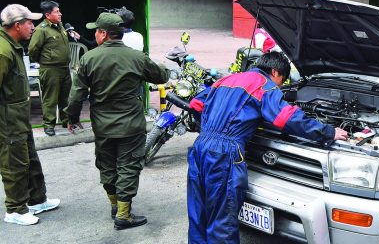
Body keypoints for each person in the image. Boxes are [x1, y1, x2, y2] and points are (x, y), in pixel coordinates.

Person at [187, 51, 348, 243]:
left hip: (200, 147)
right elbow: (286, 118)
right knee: (222, 221)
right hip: (225, 153)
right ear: (275, 72)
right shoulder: (264, 86)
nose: (279, 86)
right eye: (281, 80)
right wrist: (327, 132)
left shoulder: (227, 79)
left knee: (199, 214)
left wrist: (213, 126)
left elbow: (196, 104)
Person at [64, 12, 170, 230]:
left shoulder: (89, 58)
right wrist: (162, 66)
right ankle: (123, 214)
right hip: (130, 125)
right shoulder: (136, 57)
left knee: (107, 165)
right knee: (128, 167)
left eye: (96, 30)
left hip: (102, 126)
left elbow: (77, 94)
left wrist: (71, 117)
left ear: (103, 34)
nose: (94, 34)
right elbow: (161, 76)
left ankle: (116, 206)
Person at [0, 4, 60, 226]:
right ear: (17, 25)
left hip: (18, 118)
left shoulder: (11, 46)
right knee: (14, 164)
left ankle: (36, 200)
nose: (33, 27)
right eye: (29, 23)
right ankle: (15, 209)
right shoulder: (3, 51)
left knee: (30, 160)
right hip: (7, 121)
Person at [28, 0, 71, 136]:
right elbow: (33, 50)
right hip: (50, 69)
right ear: (47, 14)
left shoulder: (60, 26)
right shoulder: (41, 30)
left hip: (64, 68)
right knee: (50, 98)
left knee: (66, 97)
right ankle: (49, 125)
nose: (60, 14)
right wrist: (43, 61)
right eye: (57, 12)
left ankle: (66, 121)